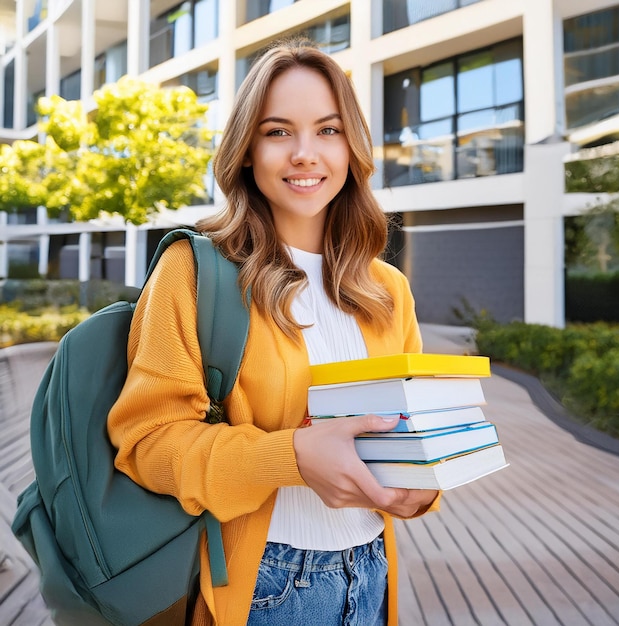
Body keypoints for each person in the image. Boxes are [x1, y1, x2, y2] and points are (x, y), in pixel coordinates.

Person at [107, 39, 441, 626]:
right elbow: (148, 443)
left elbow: (410, 425)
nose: (305, 154)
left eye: (329, 130)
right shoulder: (195, 272)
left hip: (371, 571)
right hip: (263, 585)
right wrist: (290, 456)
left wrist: (423, 483)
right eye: (278, 131)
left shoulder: (387, 288)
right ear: (246, 151)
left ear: (353, 147)